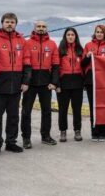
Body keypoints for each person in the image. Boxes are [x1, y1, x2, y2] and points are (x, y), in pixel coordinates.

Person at [0, 12, 28, 158]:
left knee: (13, 116)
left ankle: (11, 142)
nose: (10, 24)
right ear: (2, 23)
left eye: (12, 22)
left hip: (16, 86)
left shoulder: (21, 41)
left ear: (16, 24)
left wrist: (25, 81)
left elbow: (27, 63)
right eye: (7, 22)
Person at [21, 20, 60, 148]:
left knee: (47, 111)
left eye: (43, 26)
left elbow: (55, 65)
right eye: (39, 26)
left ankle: (46, 136)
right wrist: (25, 82)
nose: (41, 28)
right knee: (26, 111)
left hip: (45, 83)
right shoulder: (27, 43)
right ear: (34, 28)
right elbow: (24, 64)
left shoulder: (52, 44)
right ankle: (26, 138)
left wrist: (54, 82)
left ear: (47, 28)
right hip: (30, 83)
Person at [81, 24, 105, 141]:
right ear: (94, 33)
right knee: (93, 107)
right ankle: (94, 131)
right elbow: (83, 64)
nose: (99, 34)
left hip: (104, 80)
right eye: (97, 32)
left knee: (103, 106)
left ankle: (104, 132)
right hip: (91, 79)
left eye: (101, 32)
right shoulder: (88, 45)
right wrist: (87, 56)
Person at [57, 27, 85, 143]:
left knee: (77, 109)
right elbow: (55, 68)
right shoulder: (60, 50)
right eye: (68, 35)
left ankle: (77, 131)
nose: (70, 37)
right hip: (64, 83)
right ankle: (63, 132)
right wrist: (56, 84)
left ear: (75, 37)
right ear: (65, 36)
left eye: (72, 35)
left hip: (78, 82)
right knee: (63, 110)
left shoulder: (80, 50)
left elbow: (84, 66)